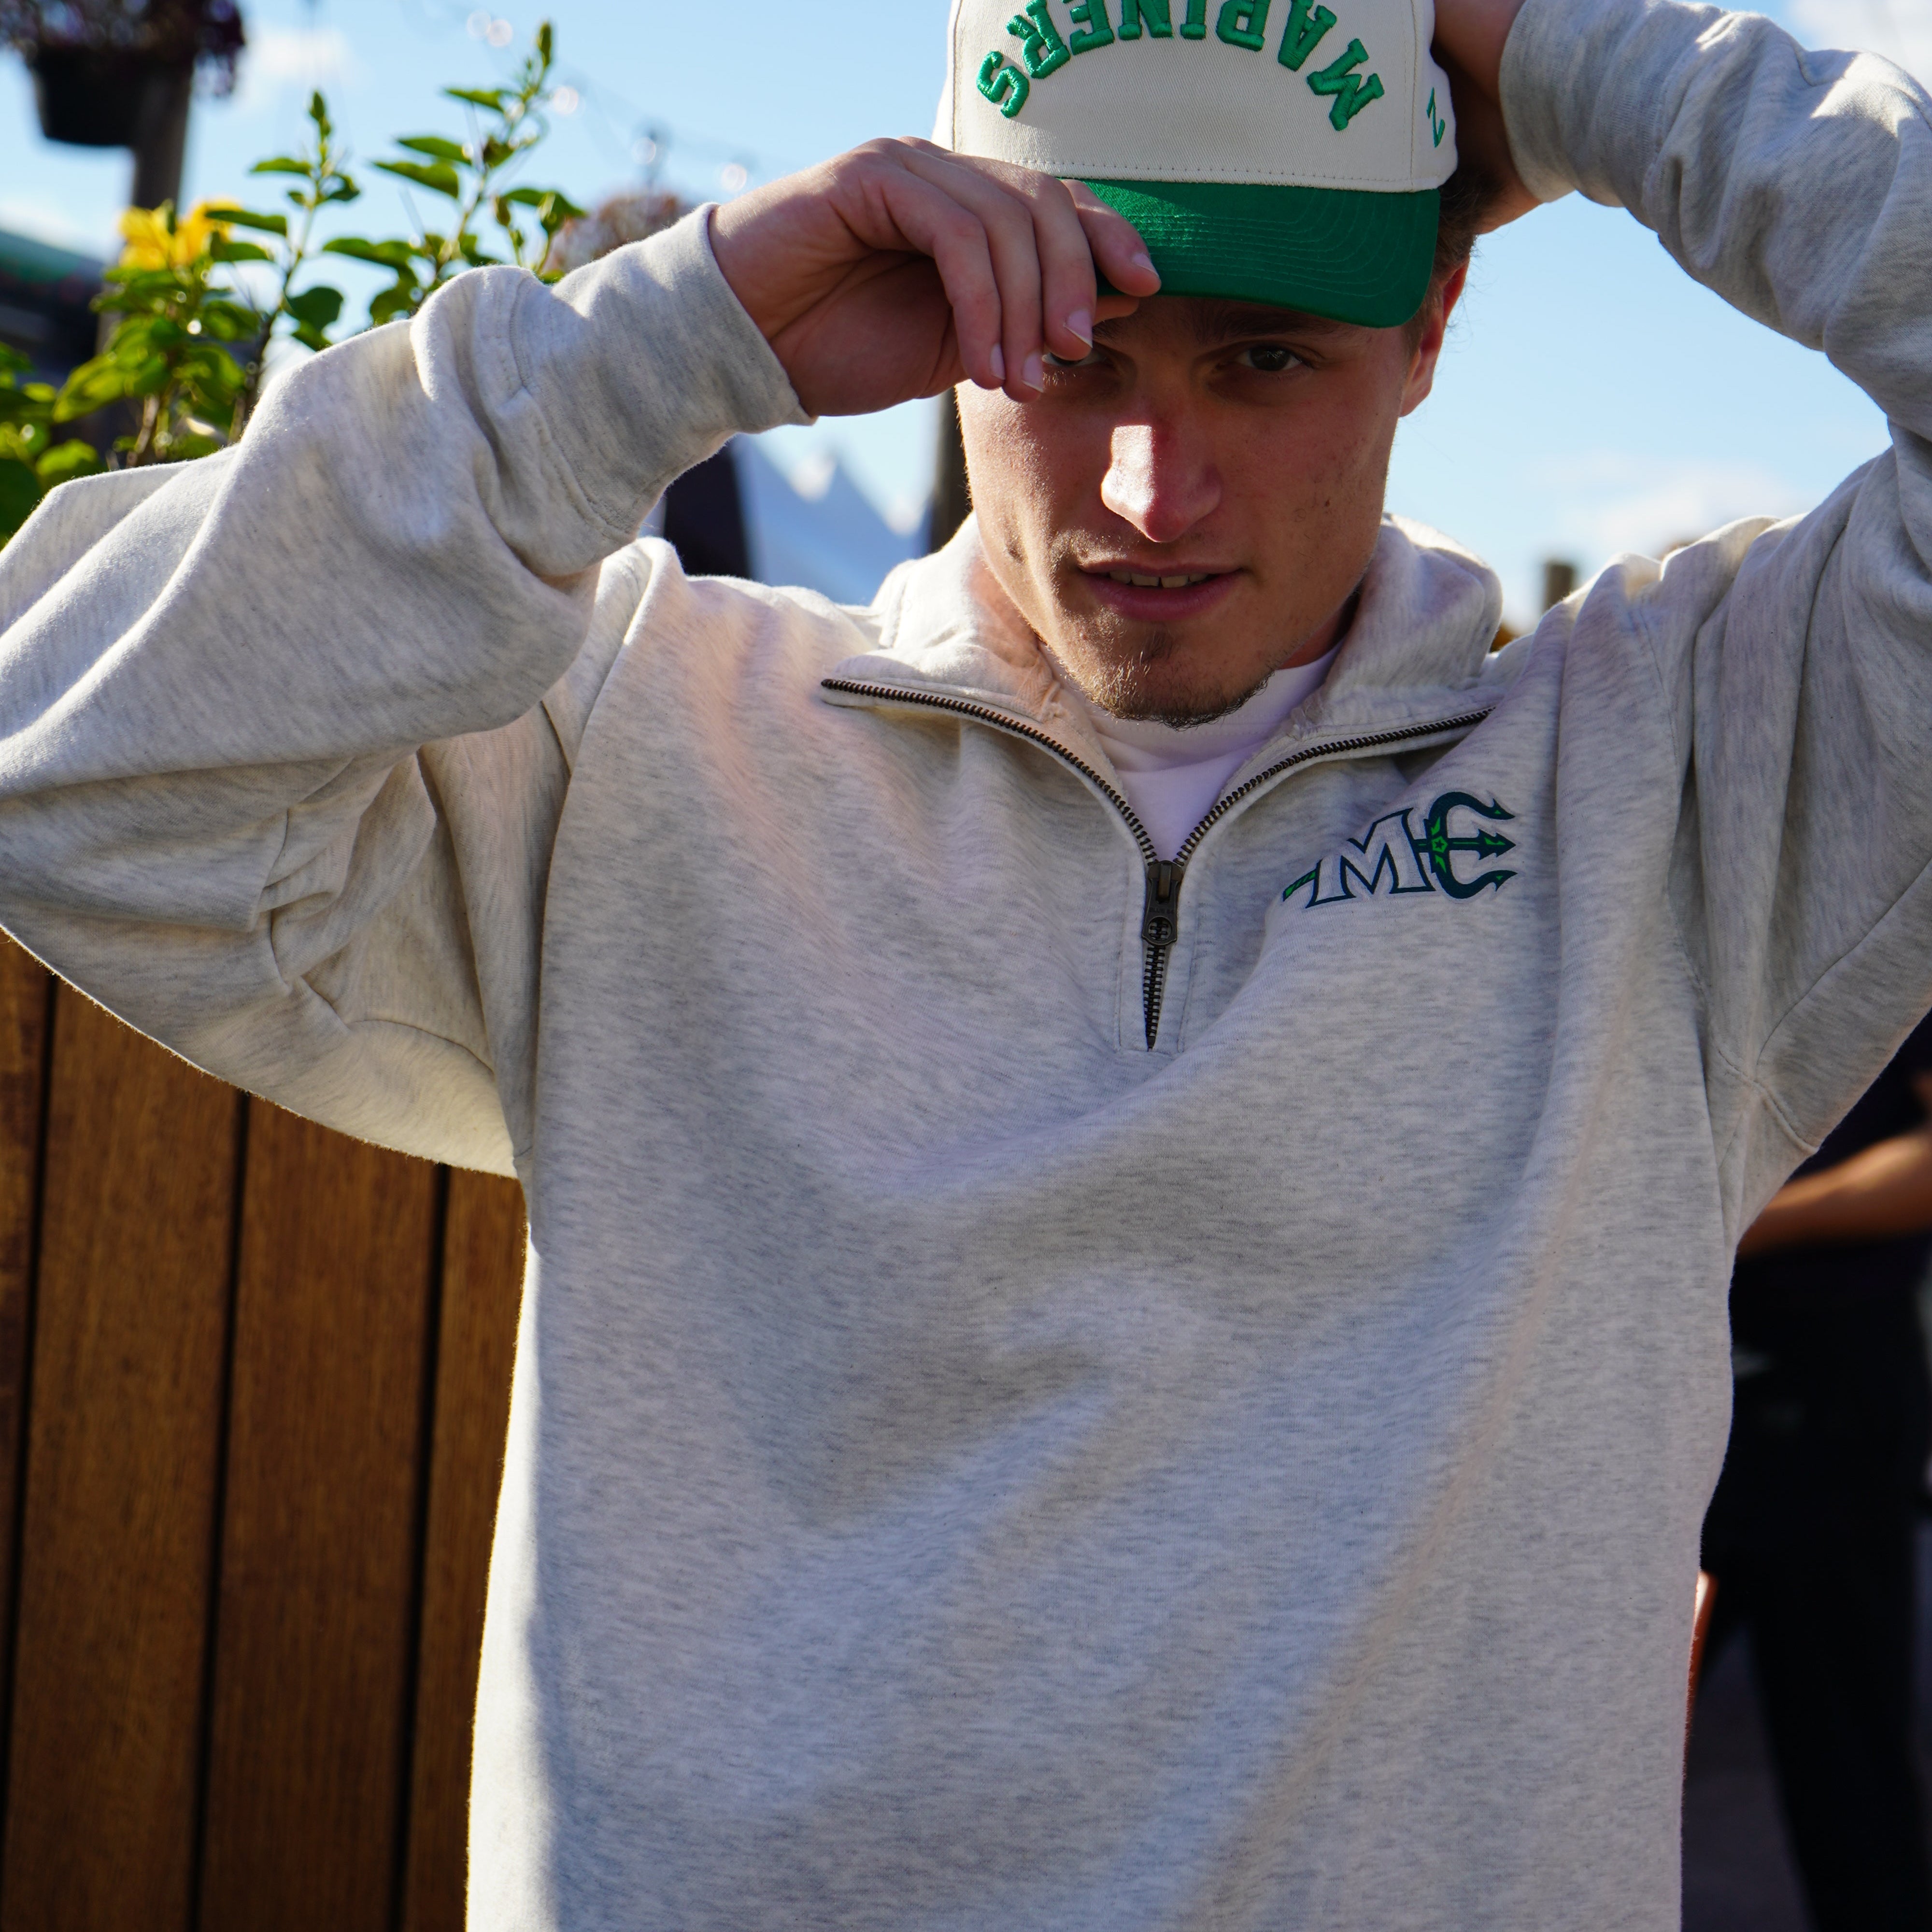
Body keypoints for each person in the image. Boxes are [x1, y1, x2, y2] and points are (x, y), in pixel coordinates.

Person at [0, 0, 1928, 1922]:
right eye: (1071, 356)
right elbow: (56, 768)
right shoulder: (643, 743)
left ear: (1432, 321)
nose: (1153, 492)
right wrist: (671, 340)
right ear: (943, 314)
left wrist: (1575, 56)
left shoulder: (1676, 787)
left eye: (1266, 358)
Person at [1702, 1012, 1932, 1932]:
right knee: (1579, 1747)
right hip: (1646, 1377)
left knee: (1849, 1771)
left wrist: (1742, 1223)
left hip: (1826, 1377)